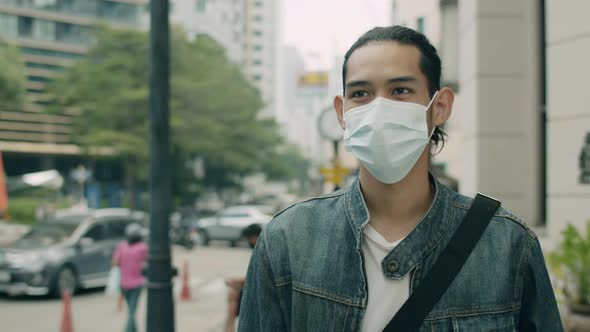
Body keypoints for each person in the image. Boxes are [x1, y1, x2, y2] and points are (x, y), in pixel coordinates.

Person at [238, 26, 563, 331]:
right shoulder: (287, 240)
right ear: (341, 112)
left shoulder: (507, 245)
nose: (379, 108)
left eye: (401, 90)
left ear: (440, 106)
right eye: (362, 93)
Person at [224, 224, 262, 332]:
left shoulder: (262, 251)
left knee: (233, 295)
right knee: (233, 293)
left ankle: (228, 328)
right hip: (259, 289)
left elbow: (256, 278)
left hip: (261, 293)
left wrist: (235, 282)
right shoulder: (260, 249)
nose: (248, 242)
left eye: (249, 239)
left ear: (254, 237)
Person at [112, 223, 148, 332]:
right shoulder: (143, 247)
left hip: (124, 284)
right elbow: (149, 261)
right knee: (132, 311)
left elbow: (115, 262)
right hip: (137, 283)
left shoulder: (122, 246)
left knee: (131, 309)